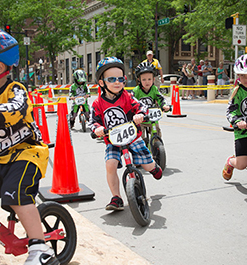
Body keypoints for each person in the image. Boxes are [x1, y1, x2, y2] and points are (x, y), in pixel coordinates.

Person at [0, 31, 59, 264]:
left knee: (16, 194)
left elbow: (16, 108)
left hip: (25, 154)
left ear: (6, 65)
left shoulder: (16, 89)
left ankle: (40, 250)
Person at [89, 57, 162, 211]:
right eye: (111, 79)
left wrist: (140, 114)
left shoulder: (127, 96)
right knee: (110, 165)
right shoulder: (97, 104)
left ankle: (153, 166)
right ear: (102, 83)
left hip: (132, 136)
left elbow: (140, 106)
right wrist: (97, 129)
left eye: (120, 79)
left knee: (146, 164)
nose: (117, 82)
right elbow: (93, 121)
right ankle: (116, 197)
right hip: (113, 140)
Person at [222, 54, 247, 181]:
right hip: (243, 132)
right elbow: (230, 111)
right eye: (242, 75)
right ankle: (231, 161)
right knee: (242, 165)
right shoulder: (237, 92)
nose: (245, 79)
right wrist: (238, 121)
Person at [132, 61, 170, 139]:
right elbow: (131, 101)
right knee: (139, 136)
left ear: (153, 79)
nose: (147, 82)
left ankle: (157, 146)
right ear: (139, 80)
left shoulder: (154, 89)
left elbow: (161, 98)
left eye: (149, 79)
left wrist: (164, 105)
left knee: (157, 133)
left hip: (152, 117)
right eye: (144, 79)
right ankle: (141, 148)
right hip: (141, 119)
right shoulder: (136, 90)